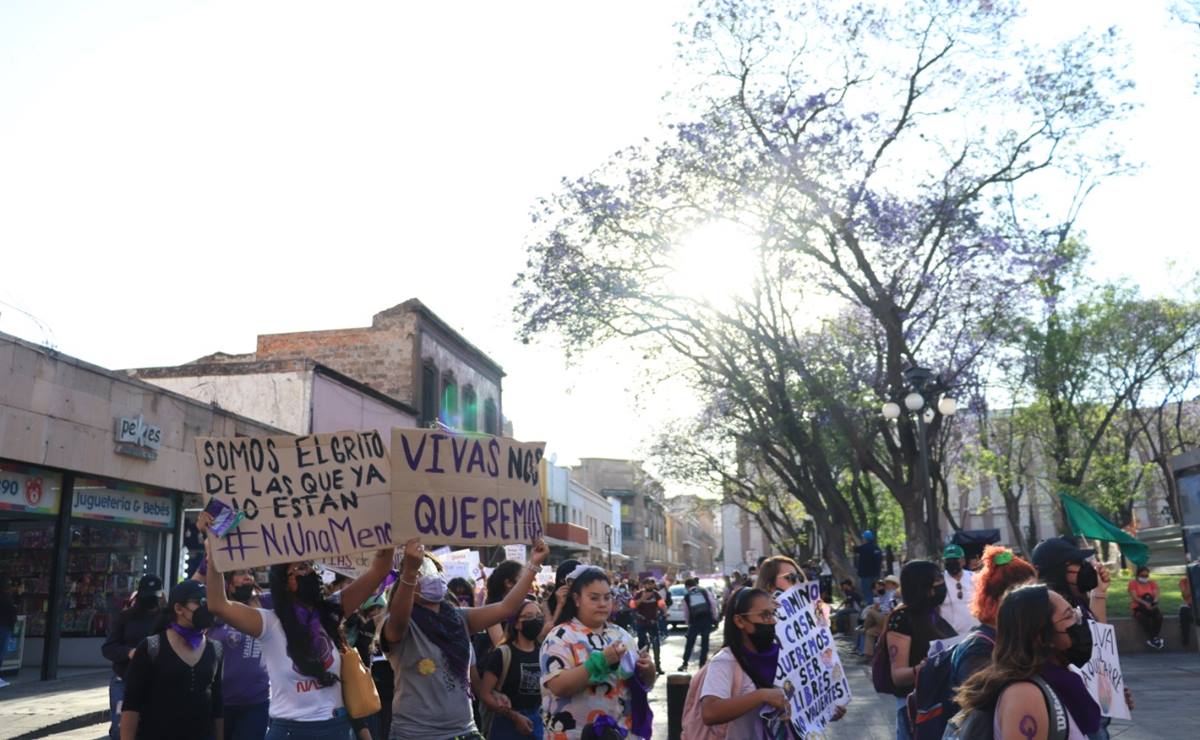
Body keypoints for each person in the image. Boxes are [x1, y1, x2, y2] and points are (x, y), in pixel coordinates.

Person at [199, 518, 396, 740]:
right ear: (284, 582)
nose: (311, 572)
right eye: (301, 568)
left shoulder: (331, 612)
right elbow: (218, 605)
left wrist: (385, 523)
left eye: (312, 566)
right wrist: (213, 555)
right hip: (289, 732)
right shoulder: (270, 624)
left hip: (336, 729)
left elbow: (381, 569)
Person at [384, 538, 549, 740]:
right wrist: (410, 570)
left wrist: (533, 565)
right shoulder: (401, 625)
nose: (432, 578)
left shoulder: (458, 619)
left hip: (464, 731)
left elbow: (506, 608)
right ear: (407, 584)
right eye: (423, 573)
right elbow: (398, 620)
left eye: (435, 572)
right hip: (416, 735)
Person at [953, 584, 1104, 739]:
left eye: (1074, 612)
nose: (1079, 620)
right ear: (1040, 636)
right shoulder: (1024, 695)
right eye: (1068, 616)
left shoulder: (1059, 676)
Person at [541, 566, 656, 739]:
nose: (602, 604)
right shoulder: (560, 637)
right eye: (594, 598)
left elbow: (643, 684)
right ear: (577, 599)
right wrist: (599, 662)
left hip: (622, 733)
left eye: (607, 597)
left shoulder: (621, 634)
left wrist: (648, 670)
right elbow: (559, 686)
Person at [1033, 536, 1127, 740]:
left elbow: (1098, 644)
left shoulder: (1075, 602)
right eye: (1075, 563)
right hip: (1074, 711)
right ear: (1057, 569)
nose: (1084, 567)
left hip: (1094, 706)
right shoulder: (1047, 609)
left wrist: (1112, 689)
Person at [120, 581, 223, 740]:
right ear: (178, 609)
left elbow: (217, 705)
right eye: (200, 602)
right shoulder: (151, 647)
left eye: (209, 601)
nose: (207, 607)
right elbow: (131, 704)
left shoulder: (215, 649)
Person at [886, 560, 955, 740]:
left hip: (939, 703)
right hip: (914, 710)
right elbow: (898, 675)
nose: (942, 584)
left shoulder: (935, 613)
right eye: (937, 579)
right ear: (922, 586)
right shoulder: (901, 618)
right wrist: (923, 668)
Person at [207, 570, 270, 740]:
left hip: (256, 702)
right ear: (228, 583)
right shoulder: (215, 610)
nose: (248, 577)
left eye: (250, 573)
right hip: (218, 703)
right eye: (241, 573)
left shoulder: (264, 603)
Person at [102, 575, 164, 740]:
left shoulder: (165, 618)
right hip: (124, 678)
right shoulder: (125, 617)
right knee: (120, 729)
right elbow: (108, 648)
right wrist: (129, 652)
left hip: (154, 681)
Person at [478, 599, 545, 740]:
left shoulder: (545, 652)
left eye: (539, 616)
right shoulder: (502, 654)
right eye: (529, 616)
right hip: (506, 723)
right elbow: (484, 694)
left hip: (538, 721)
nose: (536, 620)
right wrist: (514, 716)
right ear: (517, 624)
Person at [677, 577, 718, 671]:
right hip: (706, 619)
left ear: (687, 586)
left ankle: (685, 663)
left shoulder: (687, 596)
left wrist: (688, 623)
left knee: (690, 643)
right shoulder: (704, 591)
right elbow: (713, 604)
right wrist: (714, 617)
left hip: (695, 622)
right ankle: (702, 664)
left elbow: (686, 612)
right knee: (705, 642)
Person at [938, 544, 978, 635]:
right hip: (949, 636)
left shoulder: (975, 578)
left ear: (963, 561)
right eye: (948, 560)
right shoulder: (938, 581)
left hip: (975, 633)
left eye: (955, 560)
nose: (952, 563)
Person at [631, 577, 666, 675]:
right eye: (648, 584)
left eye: (652, 584)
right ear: (644, 585)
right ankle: (641, 666)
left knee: (656, 644)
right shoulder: (639, 594)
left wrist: (665, 612)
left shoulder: (656, 594)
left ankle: (657, 666)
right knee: (642, 645)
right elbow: (632, 605)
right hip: (641, 623)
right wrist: (642, 598)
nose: (650, 586)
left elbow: (662, 605)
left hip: (653, 622)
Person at [1127, 565, 1165, 649]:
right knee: (1144, 619)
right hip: (1139, 606)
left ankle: (1153, 638)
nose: (1145, 577)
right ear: (1137, 575)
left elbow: (1156, 595)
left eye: (1146, 576)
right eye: (1142, 576)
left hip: (1151, 605)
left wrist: (1154, 602)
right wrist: (1145, 603)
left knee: (1159, 618)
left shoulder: (1152, 583)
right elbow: (1135, 597)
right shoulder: (1133, 583)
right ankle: (1153, 639)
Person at [856, 531, 884, 605]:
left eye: (863, 538)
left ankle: (871, 607)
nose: (862, 539)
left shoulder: (863, 548)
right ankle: (879, 606)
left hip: (866, 575)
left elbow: (852, 549)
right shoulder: (877, 548)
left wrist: (849, 540)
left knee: (868, 592)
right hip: (876, 574)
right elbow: (881, 561)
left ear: (865, 539)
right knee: (877, 591)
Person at [1181, 573, 1194, 647]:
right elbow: (1186, 595)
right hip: (1190, 607)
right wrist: (1190, 582)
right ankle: (1185, 639)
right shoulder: (1183, 581)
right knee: (1183, 611)